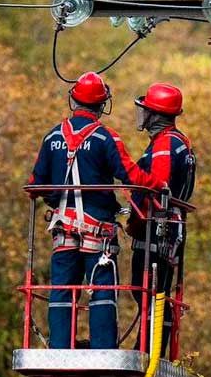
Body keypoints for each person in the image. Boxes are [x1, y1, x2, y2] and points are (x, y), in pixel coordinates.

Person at [29, 71, 166, 349]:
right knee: (103, 290)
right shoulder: (106, 138)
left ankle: (60, 348)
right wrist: (159, 186)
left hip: (62, 232)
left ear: (74, 100)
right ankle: (103, 347)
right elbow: (130, 174)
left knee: (62, 291)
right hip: (98, 234)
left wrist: (55, 199)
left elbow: (36, 183)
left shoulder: (51, 137)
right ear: (103, 104)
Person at [128, 83, 195, 355]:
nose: (140, 114)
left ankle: (146, 349)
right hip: (169, 228)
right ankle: (150, 347)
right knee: (156, 292)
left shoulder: (165, 145)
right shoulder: (179, 143)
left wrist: (138, 219)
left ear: (155, 115)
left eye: (145, 110)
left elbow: (157, 186)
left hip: (157, 229)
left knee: (146, 289)